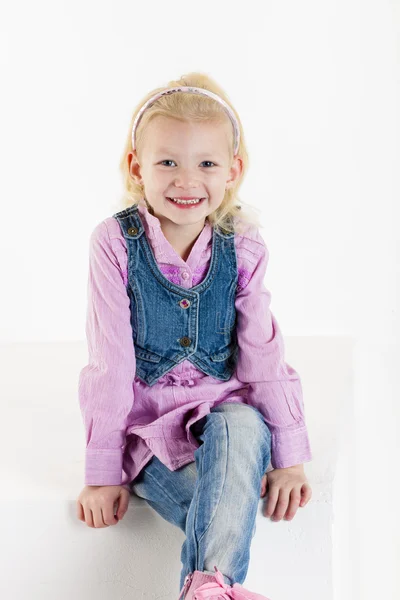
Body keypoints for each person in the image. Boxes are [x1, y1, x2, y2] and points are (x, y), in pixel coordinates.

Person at [76, 72, 313, 600]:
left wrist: (289, 458)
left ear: (234, 170)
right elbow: (110, 365)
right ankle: (214, 585)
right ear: (137, 168)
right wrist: (103, 471)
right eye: (167, 162)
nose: (187, 181)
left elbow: (262, 356)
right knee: (217, 506)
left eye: (206, 163)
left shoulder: (242, 247)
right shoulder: (115, 244)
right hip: (150, 434)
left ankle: (203, 588)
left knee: (245, 423)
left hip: (221, 416)